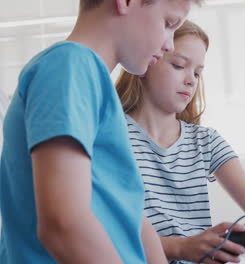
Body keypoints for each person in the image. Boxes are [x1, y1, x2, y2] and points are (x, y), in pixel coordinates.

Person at [0, 0, 197, 263]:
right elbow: (63, 223)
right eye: (169, 23)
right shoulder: (69, 67)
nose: (170, 44)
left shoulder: (93, 83)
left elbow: (130, 215)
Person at [115, 20, 245, 264]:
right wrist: (180, 246)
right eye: (179, 65)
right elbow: (107, 231)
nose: (191, 80)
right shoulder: (112, 136)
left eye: (197, 73)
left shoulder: (206, 141)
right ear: (146, 62)